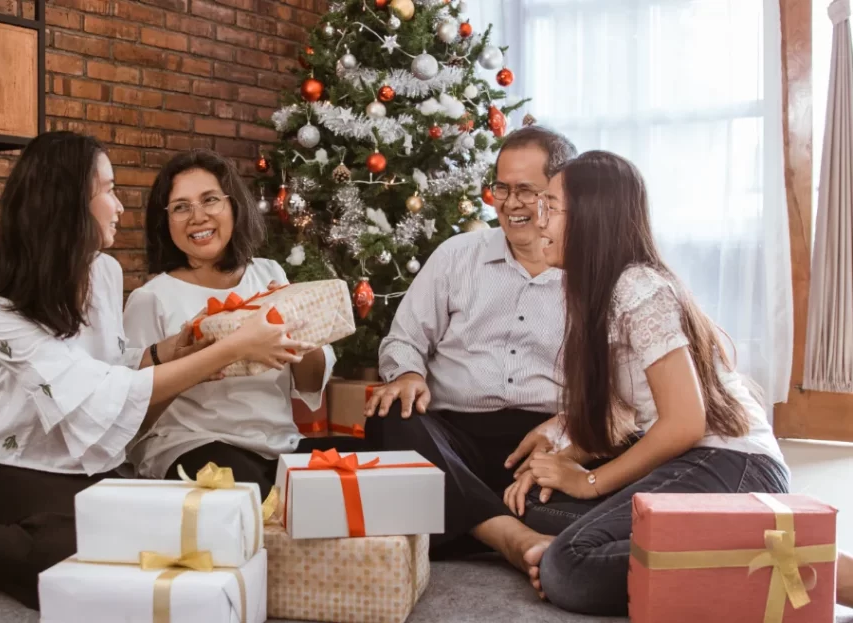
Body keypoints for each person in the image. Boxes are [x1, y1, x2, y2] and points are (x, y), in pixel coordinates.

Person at [0, 132, 314, 609]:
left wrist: (170, 350)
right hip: (8, 472)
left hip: (90, 466)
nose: (121, 207)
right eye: (108, 190)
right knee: (71, 555)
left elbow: (114, 371)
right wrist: (227, 350)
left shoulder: (105, 274)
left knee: (155, 545)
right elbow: (92, 397)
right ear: (70, 203)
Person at [501, 149, 820, 615]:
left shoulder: (639, 287)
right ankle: (736, 546)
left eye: (550, 205)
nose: (537, 218)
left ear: (592, 217)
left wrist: (589, 481)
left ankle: (773, 556)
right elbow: (626, 412)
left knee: (569, 568)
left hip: (732, 465)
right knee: (531, 507)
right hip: (695, 462)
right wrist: (563, 462)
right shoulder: (601, 294)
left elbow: (686, 423)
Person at [363, 125, 578, 565]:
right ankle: (512, 538)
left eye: (526, 189)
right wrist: (406, 375)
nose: (510, 202)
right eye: (501, 187)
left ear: (560, 192)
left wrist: (565, 431)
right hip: (452, 436)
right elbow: (403, 339)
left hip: (543, 440)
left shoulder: (591, 273)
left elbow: (618, 392)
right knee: (391, 416)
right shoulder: (456, 255)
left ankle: (461, 524)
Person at [124, 149, 364, 499]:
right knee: (261, 503)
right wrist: (201, 359)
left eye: (210, 200)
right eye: (180, 206)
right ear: (165, 222)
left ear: (234, 206)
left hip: (280, 444)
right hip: (192, 446)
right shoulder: (151, 298)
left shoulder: (267, 274)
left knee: (355, 483)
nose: (198, 216)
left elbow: (310, 382)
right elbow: (132, 413)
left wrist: (299, 330)